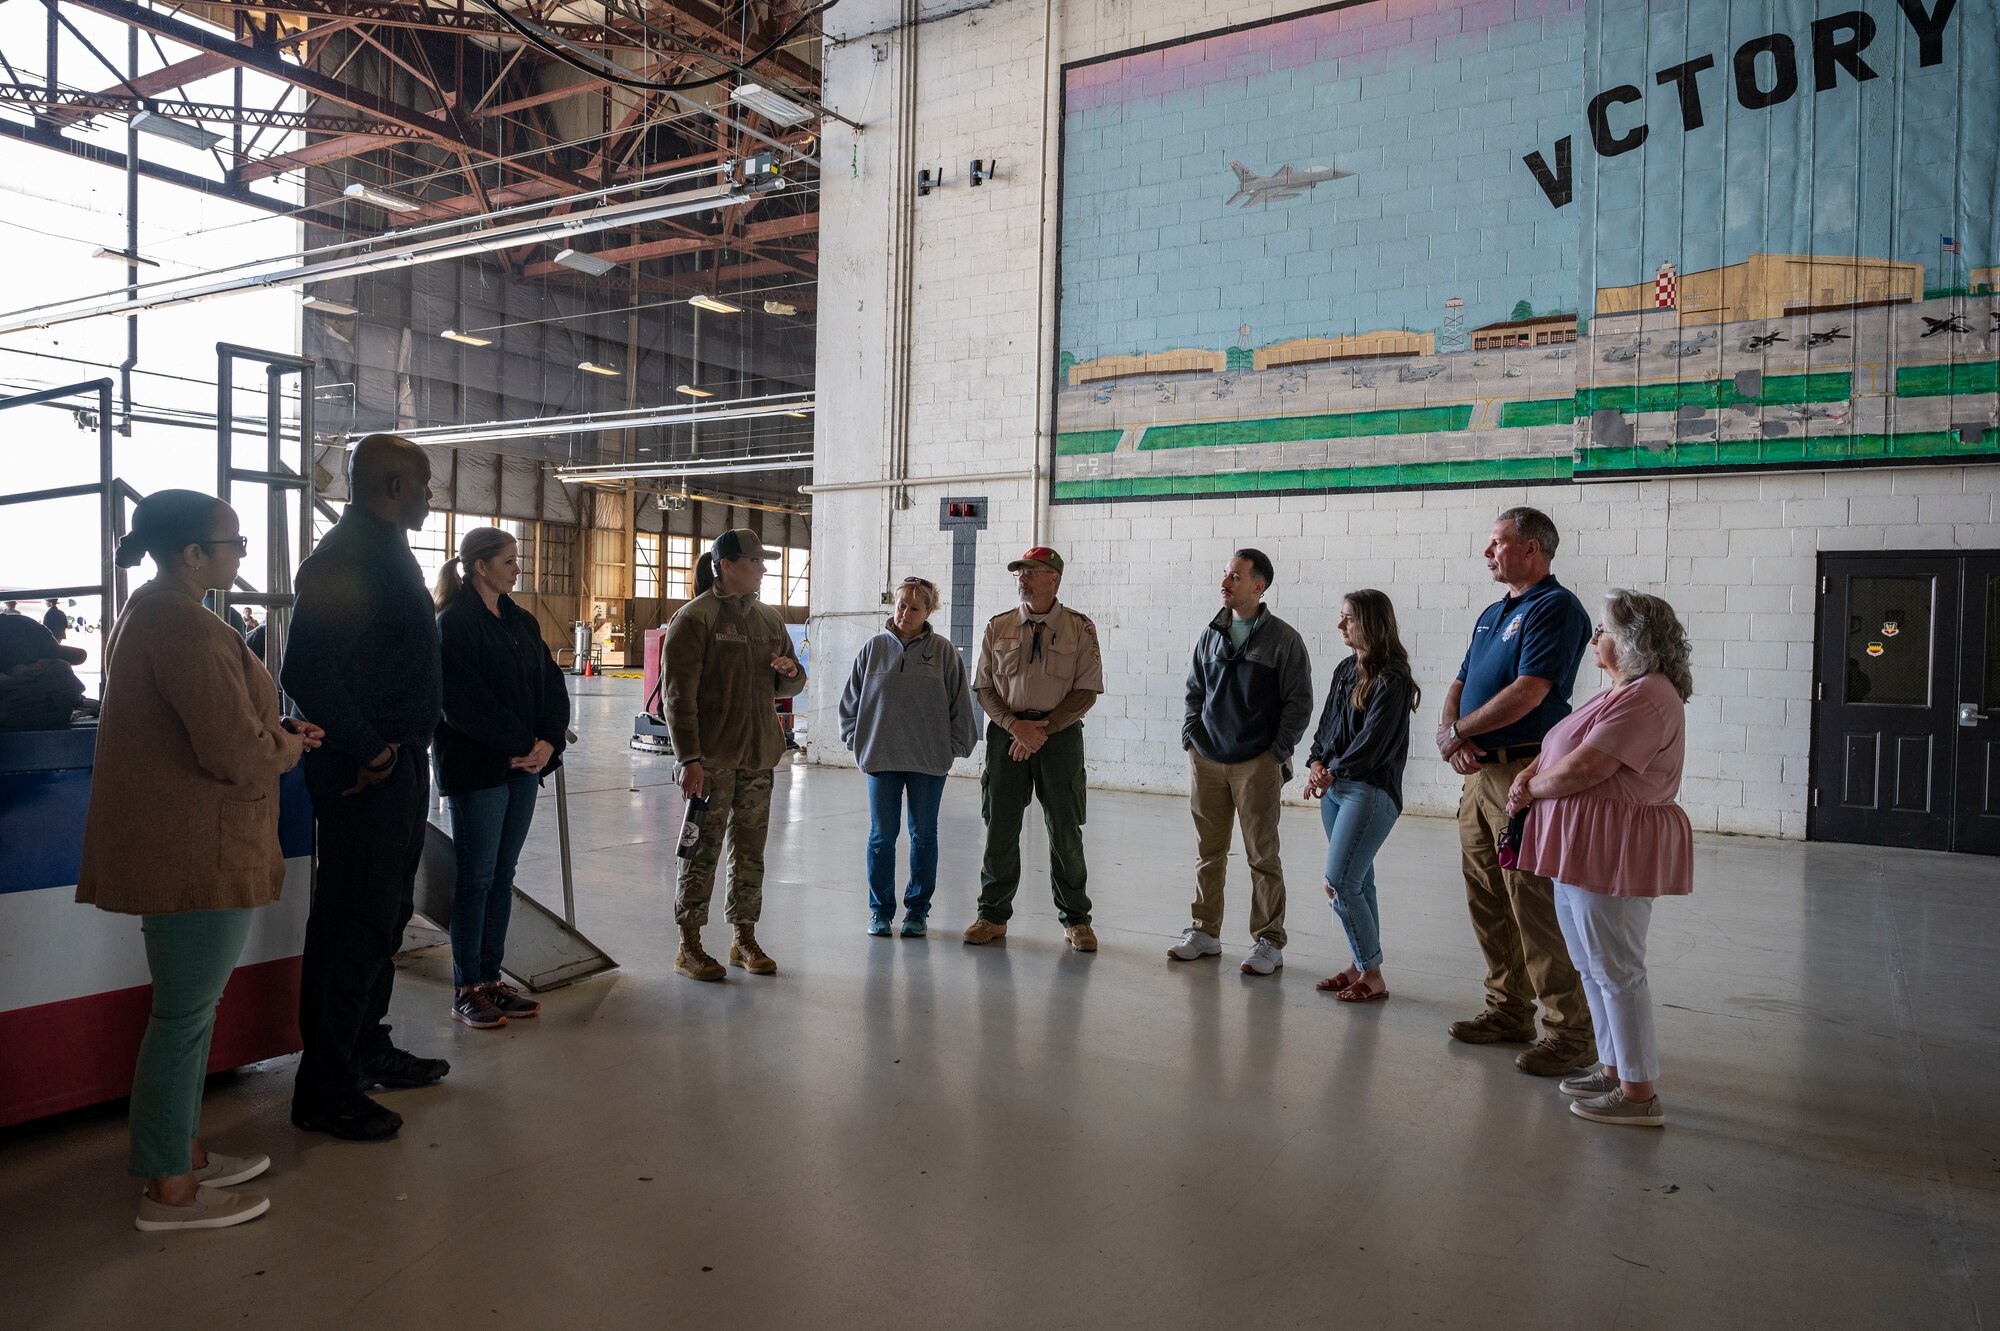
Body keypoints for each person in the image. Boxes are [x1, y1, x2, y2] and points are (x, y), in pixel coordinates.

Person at [76, 489, 323, 1231]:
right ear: (193, 552)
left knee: (190, 1010)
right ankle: (169, 1187)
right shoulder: (178, 621)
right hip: (198, 849)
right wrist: (284, 745)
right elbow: (230, 749)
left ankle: (178, 1149)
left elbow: (214, 724)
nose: (242, 554)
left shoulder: (164, 611)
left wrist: (270, 729)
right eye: (234, 542)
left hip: (194, 840)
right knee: (183, 1016)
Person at [282, 433, 446, 1141]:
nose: (432, 496)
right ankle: (325, 1085)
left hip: (398, 761)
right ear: (391, 486)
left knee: (384, 914)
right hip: (364, 769)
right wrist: (371, 746)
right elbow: (307, 672)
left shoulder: (385, 552)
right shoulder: (343, 561)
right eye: (425, 484)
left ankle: (365, 1047)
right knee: (352, 923)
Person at [1509, 590, 1694, 1126]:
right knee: (1593, 966)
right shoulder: (1621, 690)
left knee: (1617, 969)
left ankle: (1639, 1094)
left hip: (1612, 847)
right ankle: (1615, 1068)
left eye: (1603, 630)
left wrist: (1529, 790)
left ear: (1633, 642)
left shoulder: (1650, 696)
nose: (1593, 639)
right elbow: (1558, 749)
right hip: (1585, 845)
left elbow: (1588, 768)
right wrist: (1530, 776)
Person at [1436, 506, 1596, 1076]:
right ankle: (1507, 1009)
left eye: (1498, 542)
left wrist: (1459, 731)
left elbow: (1531, 692)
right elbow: (1459, 681)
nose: (1488, 552)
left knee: (1532, 901)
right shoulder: (1491, 613)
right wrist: (1450, 735)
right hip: (1478, 773)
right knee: (1486, 895)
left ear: (1532, 549)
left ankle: (1570, 1032)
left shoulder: (1555, 608)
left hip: (1522, 774)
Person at [433, 526, 570, 1027]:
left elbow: (551, 684)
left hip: (522, 766)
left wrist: (547, 741)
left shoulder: (520, 621)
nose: (517, 569)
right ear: (480, 567)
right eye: (509, 561)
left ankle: (490, 979)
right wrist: (520, 744)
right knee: (477, 877)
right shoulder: (454, 623)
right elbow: (461, 704)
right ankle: (467, 985)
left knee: (502, 876)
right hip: (479, 769)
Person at [661, 528, 807, 980]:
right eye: (755, 561)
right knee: (701, 851)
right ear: (725, 565)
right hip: (712, 758)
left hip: (758, 755)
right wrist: (689, 759)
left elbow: (791, 684)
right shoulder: (695, 619)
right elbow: (677, 697)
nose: (763, 568)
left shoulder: (768, 619)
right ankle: (689, 945)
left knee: (750, 851)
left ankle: (743, 937)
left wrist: (790, 672)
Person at [1170, 549, 1313, 975]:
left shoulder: (1283, 640)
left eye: (1235, 576)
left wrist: (1276, 753)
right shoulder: (1211, 634)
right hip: (1207, 758)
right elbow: (1195, 690)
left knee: (1262, 855)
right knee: (1208, 852)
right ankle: (1204, 931)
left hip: (1258, 763)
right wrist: (1191, 738)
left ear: (1258, 586)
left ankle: (1269, 940)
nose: (1225, 582)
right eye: (1225, 573)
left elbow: (1299, 702)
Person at [965, 546, 1105, 952]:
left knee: (1065, 829)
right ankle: (991, 916)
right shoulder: (1000, 626)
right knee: (1001, 827)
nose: (1022, 579)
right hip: (1006, 735)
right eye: (1019, 573)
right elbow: (985, 687)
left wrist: (1041, 730)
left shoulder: (1081, 628)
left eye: (1030, 572)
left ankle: (1077, 920)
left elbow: (1087, 690)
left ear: (1053, 579)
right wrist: (1015, 726)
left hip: (1057, 738)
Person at [839, 575, 979, 937]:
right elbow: (850, 702)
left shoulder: (944, 652)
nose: (904, 613)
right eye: (901, 605)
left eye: (914, 608)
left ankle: (917, 911)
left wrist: (954, 747)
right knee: (882, 837)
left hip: (928, 762)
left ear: (929, 611)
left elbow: (960, 704)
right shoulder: (873, 649)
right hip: (881, 758)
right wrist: (857, 740)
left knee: (924, 836)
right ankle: (880, 912)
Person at [1303, 590, 1418, 1003]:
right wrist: (1316, 762)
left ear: (1369, 621)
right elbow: (1327, 727)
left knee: (1339, 882)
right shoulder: (1344, 669)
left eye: (1347, 618)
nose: (1340, 625)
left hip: (1367, 793)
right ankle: (1360, 966)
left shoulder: (1393, 678)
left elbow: (1374, 742)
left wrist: (1332, 771)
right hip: (1335, 789)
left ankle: (1373, 974)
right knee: (1360, 883)